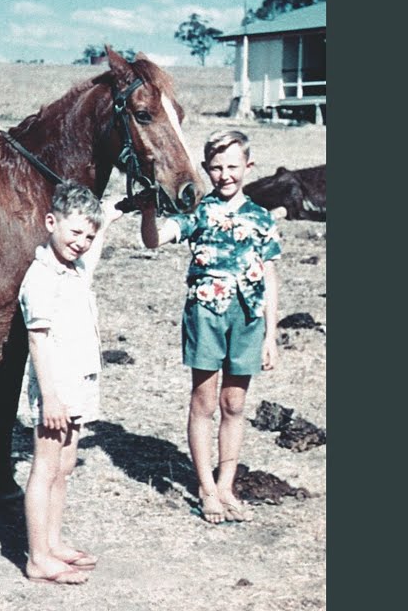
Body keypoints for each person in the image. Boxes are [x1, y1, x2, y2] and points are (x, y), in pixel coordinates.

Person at [140, 129, 281, 524]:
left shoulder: (262, 218)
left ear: (249, 167)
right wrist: (148, 210)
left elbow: (270, 278)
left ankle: (226, 485)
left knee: (234, 404)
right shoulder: (198, 212)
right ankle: (205, 487)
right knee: (204, 403)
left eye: (233, 166)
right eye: (217, 168)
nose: (225, 175)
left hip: (248, 318)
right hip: (206, 315)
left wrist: (270, 335)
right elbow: (154, 240)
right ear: (206, 169)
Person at [19, 182, 122, 585]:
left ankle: (53, 542)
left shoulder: (75, 267)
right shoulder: (41, 277)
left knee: (64, 466)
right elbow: (37, 341)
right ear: (51, 223)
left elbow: (100, 229)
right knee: (45, 468)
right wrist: (50, 398)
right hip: (55, 388)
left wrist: (113, 214)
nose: (81, 242)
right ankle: (37, 558)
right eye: (74, 232)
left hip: (78, 382)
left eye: (88, 237)